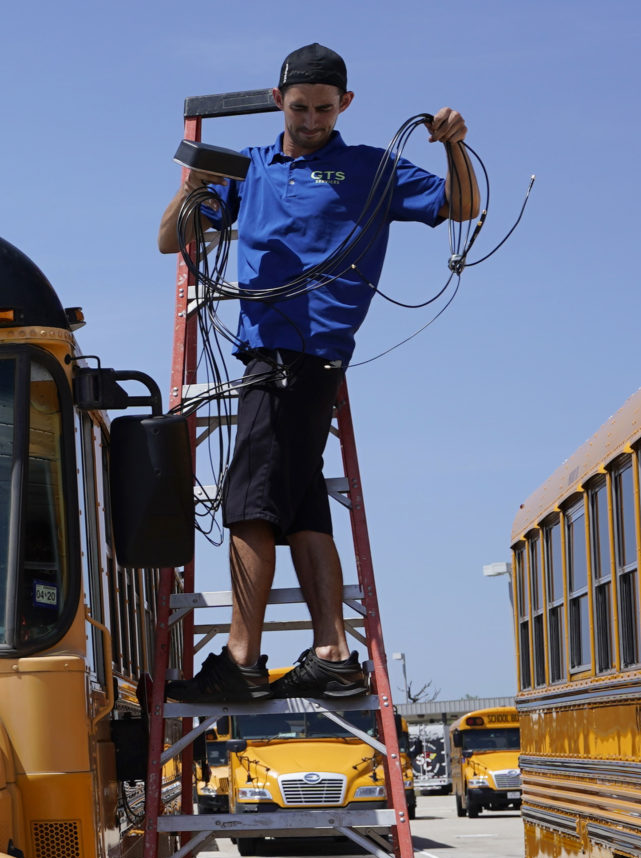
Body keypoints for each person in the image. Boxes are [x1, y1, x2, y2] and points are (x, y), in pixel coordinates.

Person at [159, 43, 475, 702]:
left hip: (298, 357)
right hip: (266, 352)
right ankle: (332, 652)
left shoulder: (370, 168)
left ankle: (241, 661)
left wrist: (454, 145)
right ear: (279, 101)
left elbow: (461, 206)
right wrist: (191, 185)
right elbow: (171, 239)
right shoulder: (252, 169)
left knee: (247, 506)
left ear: (346, 105)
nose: (310, 120)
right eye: (299, 107)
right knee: (302, 511)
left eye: (323, 109)